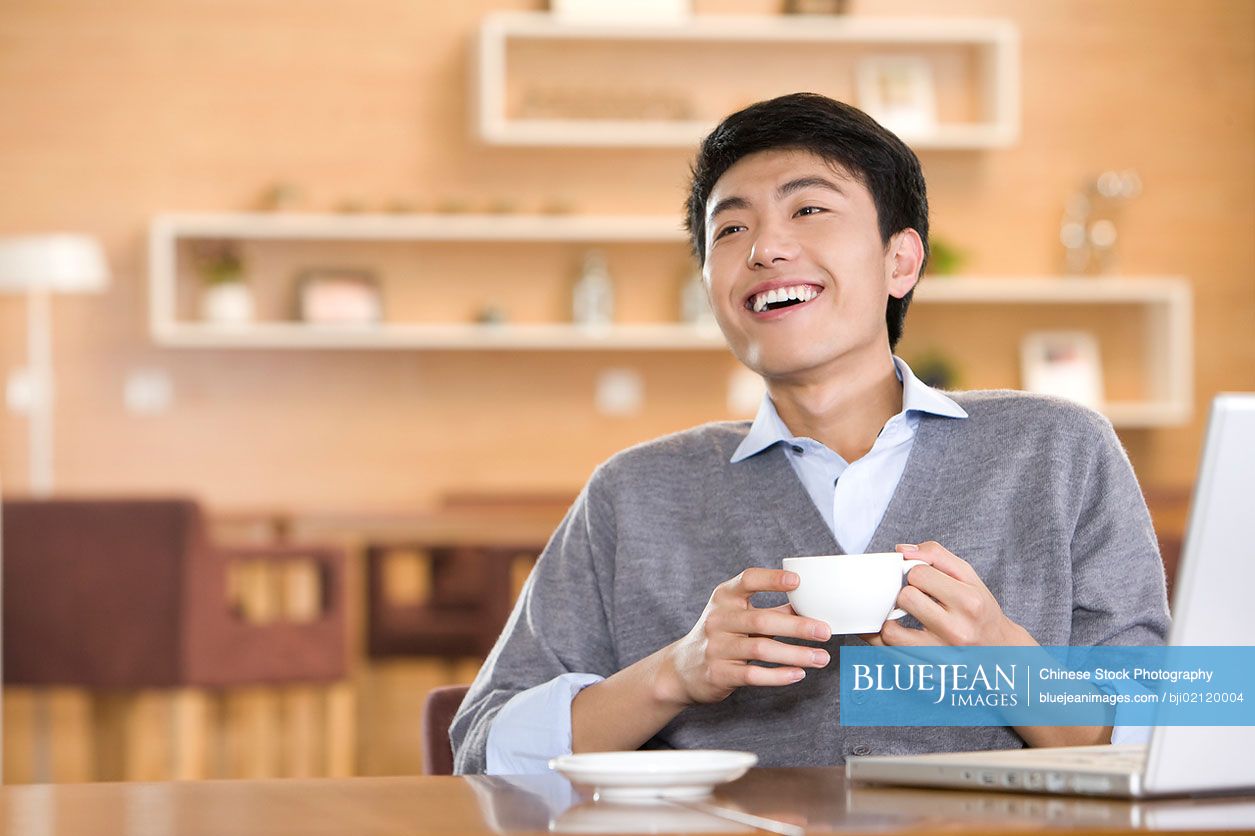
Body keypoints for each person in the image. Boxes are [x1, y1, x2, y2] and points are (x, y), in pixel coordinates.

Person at [450, 92, 1170, 775]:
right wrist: (675, 673)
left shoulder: (1057, 450)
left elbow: (1173, 731)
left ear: (900, 260)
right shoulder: (633, 492)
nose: (764, 248)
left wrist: (1005, 662)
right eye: (730, 228)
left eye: (809, 209)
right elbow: (484, 748)